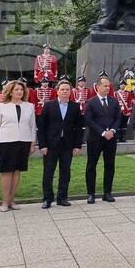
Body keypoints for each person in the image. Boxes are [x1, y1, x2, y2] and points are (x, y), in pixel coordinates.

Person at [0, 80, 37, 212]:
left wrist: (32, 143)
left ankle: (12, 200)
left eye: (21, 90)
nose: (19, 92)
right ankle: (4, 202)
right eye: (16, 89)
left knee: (17, 171)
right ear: (10, 92)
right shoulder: (1, 106)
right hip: (5, 142)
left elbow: (32, 126)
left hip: (23, 141)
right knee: (7, 171)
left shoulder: (29, 106)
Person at [38, 80, 84, 208]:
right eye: (62, 89)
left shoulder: (75, 106)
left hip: (67, 145)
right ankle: (47, 198)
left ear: (70, 92)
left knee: (65, 171)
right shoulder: (48, 105)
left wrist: (77, 145)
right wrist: (42, 145)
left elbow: (78, 128)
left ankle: (62, 197)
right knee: (48, 172)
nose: (65, 92)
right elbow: (41, 127)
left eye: (67, 90)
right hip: (51, 145)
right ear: (57, 91)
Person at [83, 77, 120, 203]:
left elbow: (118, 118)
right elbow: (88, 120)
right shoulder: (90, 102)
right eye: (105, 86)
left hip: (111, 138)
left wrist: (112, 131)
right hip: (95, 139)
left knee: (110, 165)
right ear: (97, 87)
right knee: (91, 166)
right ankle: (91, 194)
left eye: (108, 86)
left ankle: (107, 192)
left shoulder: (114, 101)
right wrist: (103, 132)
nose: (107, 88)